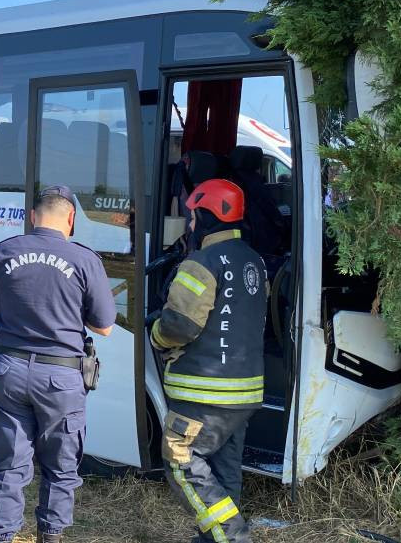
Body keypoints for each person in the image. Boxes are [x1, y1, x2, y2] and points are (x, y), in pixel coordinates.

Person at [0, 185, 117, 543]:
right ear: (71, 219)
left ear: (32, 216)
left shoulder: (5, 251)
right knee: (60, 467)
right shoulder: (85, 260)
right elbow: (104, 326)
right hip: (61, 378)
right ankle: (50, 537)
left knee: (9, 466)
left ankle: (0, 538)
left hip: (9, 370)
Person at [150, 179, 268, 543]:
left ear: (206, 215)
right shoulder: (255, 262)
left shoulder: (201, 262)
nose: (189, 224)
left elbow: (180, 325)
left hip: (202, 393)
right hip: (244, 393)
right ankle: (214, 538)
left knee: (180, 461)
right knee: (224, 469)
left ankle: (233, 536)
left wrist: (156, 334)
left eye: (192, 216)